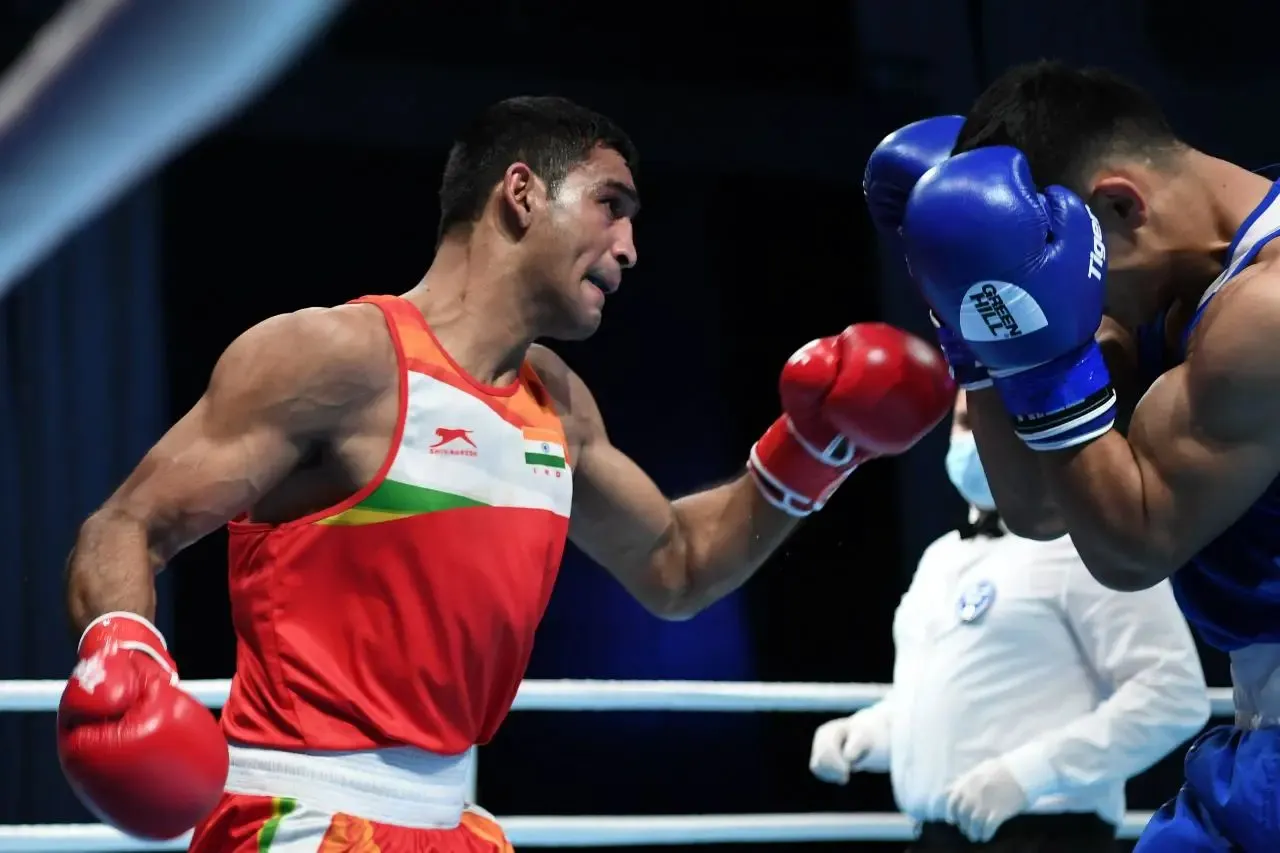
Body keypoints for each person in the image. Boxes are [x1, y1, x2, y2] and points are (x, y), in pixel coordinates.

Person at [55, 95, 957, 850]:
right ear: (521, 193)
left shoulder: (556, 403)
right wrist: (124, 650)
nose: (632, 246)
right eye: (612, 205)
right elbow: (126, 524)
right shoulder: (334, 358)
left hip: (457, 821)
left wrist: (819, 445)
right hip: (301, 815)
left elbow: (679, 565)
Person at [899, 59, 1280, 851]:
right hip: (1255, 745)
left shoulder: (1265, 308)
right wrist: (975, 323)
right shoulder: (1164, 278)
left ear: (1116, 204)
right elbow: (1039, 506)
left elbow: (1133, 544)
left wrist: (1036, 355)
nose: (1085, 308)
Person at [809, 389, 1209, 852]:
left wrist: (1029, 775)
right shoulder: (941, 558)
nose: (977, 438)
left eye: (994, 423)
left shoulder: (1088, 545)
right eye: (964, 423)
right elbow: (959, 698)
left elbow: (1173, 695)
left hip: (1047, 838)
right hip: (935, 836)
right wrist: (869, 734)